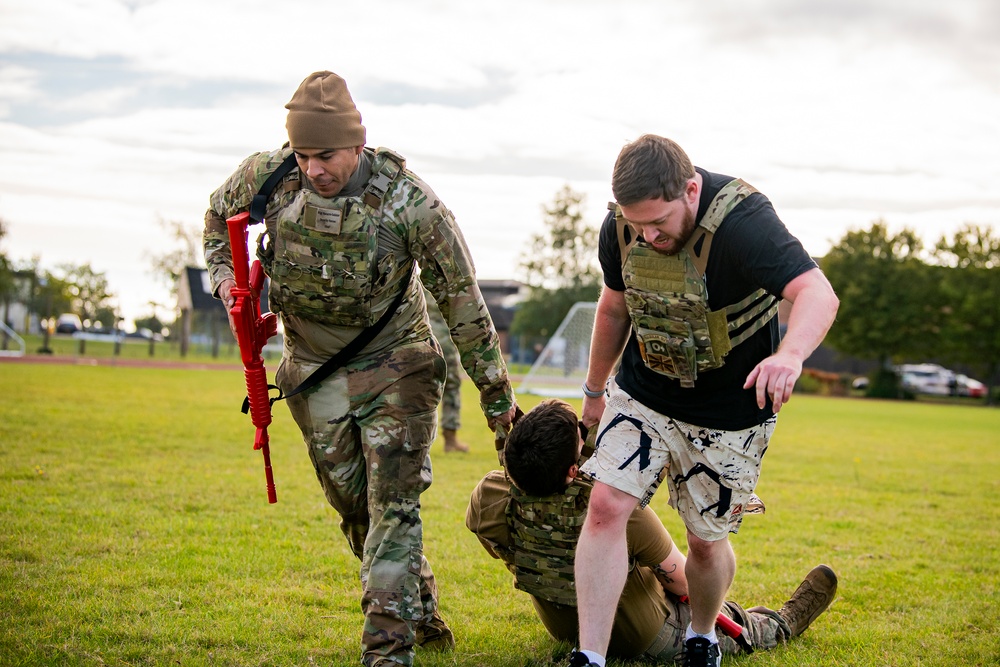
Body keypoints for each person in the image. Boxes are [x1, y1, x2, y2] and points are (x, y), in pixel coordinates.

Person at [203, 71, 517, 667]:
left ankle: (387, 652)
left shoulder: (410, 203)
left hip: (398, 364)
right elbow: (218, 217)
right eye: (304, 154)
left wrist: (499, 405)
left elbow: (464, 305)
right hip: (313, 370)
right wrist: (224, 280)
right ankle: (417, 609)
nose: (314, 168)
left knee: (393, 504)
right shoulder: (266, 177)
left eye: (326, 155)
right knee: (355, 509)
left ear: (357, 142)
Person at [572, 135, 840, 667]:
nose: (648, 235)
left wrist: (789, 356)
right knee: (605, 507)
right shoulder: (622, 227)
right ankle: (590, 657)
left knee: (704, 542)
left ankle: (702, 637)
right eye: (637, 223)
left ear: (691, 188)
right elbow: (613, 309)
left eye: (659, 222)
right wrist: (595, 392)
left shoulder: (745, 222)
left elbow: (817, 293)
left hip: (729, 412)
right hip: (644, 393)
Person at [466, 399, 838, 663]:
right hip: (642, 634)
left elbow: (496, 543)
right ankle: (781, 622)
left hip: (564, 626)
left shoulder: (490, 494)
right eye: (581, 434)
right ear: (571, 471)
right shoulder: (613, 515)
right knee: (724, 621)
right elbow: (685, 586)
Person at [424, 288, 468, 452]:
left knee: (416, 388)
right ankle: (450, 440)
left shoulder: (418, 280)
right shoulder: (448, 279)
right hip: (442, 338)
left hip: (419, 336)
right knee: (451, 387)